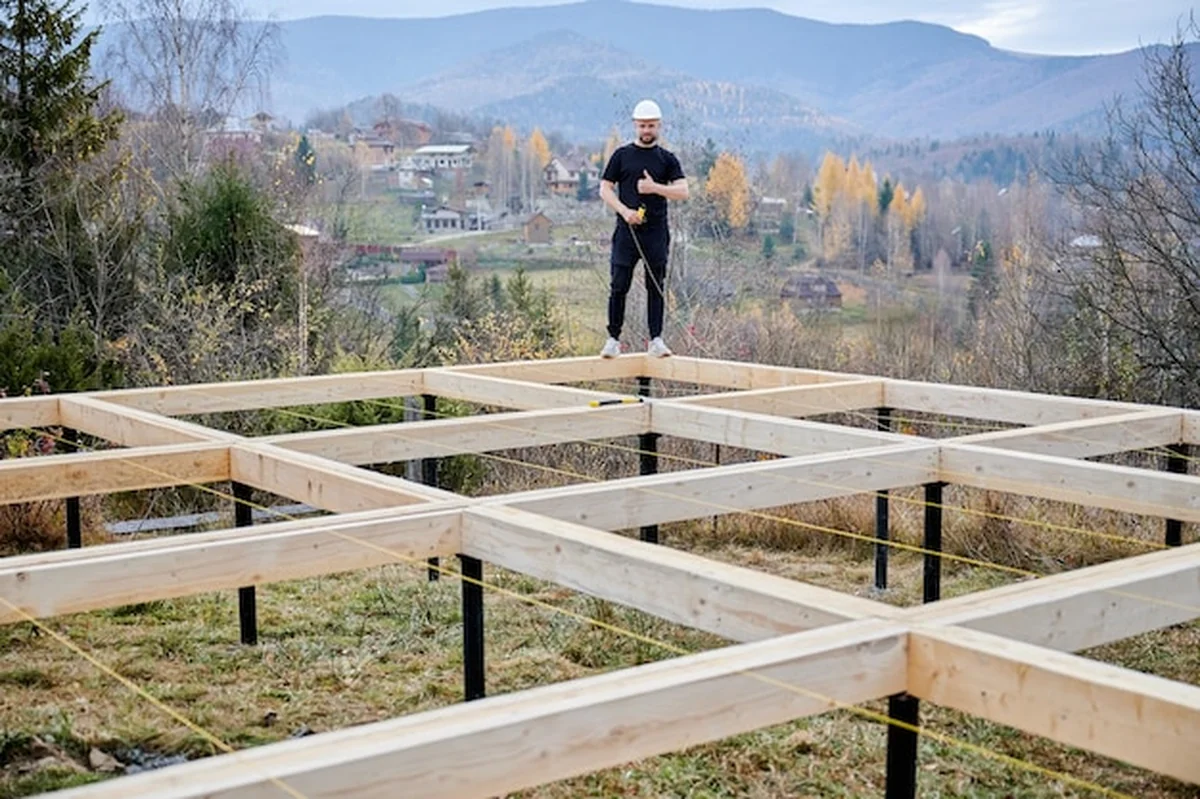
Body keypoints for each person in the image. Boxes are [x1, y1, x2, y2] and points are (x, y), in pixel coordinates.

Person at [598, 98, 689, 358]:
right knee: (619, 284)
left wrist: (655, 188)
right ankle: (613, 339)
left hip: (656, 232)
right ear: (635, 126)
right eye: (642, 126)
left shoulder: (667, 159)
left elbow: (683, 191)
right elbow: (605, 189)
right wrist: (624, 211)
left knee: (656, 286)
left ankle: (656, 340)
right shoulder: (622, 155)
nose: (647, 130)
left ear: (659, 126)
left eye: (651, 126)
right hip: (626, 232)